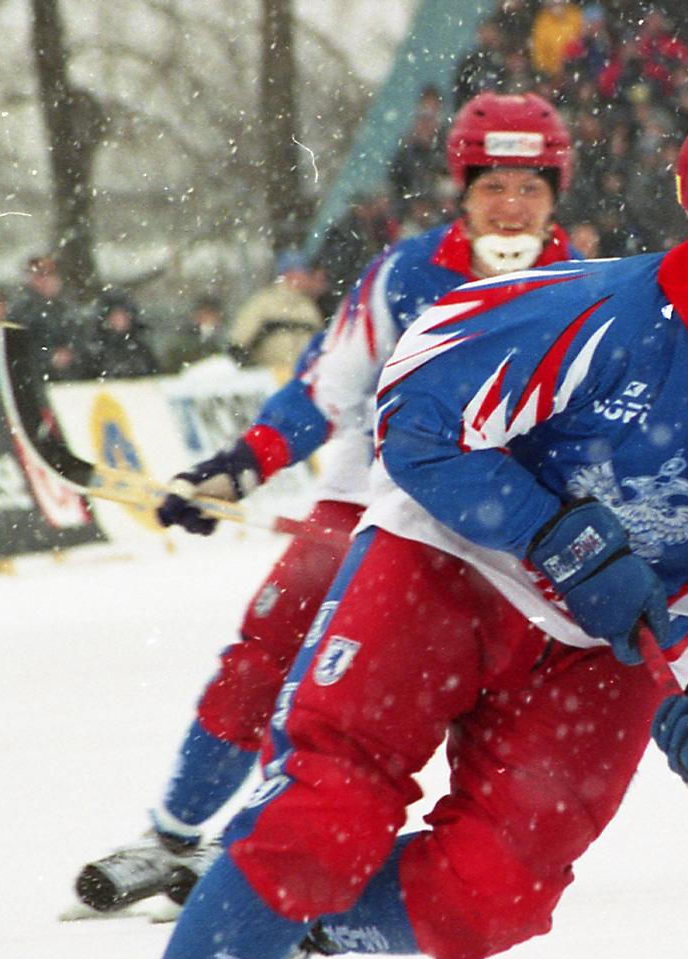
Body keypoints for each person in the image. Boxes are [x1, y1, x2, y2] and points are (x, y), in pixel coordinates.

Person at [54, 85, 688, 959]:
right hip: (451, 571)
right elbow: (414, 418)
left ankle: (289, 927)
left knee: (491, 897)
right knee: (323, 811)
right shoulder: (596, 313)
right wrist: (560, 535)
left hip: (608, 645)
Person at [71, 92, 579, 916]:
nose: (510, 206)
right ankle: (168, 836)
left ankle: (295, 841)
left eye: (529, 188)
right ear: (463, 189)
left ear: (555, 195)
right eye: (494, 187)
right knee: (271, 647)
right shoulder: (406, 274)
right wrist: (239, 467)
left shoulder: (585, 288)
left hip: (503, 527)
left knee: (447, 701)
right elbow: (323, 386)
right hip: (372, 500)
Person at [227, 251, 326, 380]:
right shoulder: (264, 303)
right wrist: (252, 371)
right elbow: (239, 342)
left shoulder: (308, 307)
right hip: (269, 378)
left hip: (302, 379)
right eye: (303, 273)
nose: (307, 278)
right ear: (289, 274)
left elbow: (320, 344)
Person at [6, 255, 83, 381]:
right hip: (34, 381)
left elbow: (82, 342)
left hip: (69, 381)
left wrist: (71, 355)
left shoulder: (69, 308)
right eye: (40, 275)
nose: (45, 280)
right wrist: (48, 358)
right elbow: (20, 351)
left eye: (50, 275)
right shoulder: (21, 311)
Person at [80, 291, 161, 380]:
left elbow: (154, 373)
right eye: (114, 316)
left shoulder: (142, 344)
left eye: (123, 315)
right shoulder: (95, 347)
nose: (119, 320)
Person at [159, 295, 228, 372]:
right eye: (202, 313)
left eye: (209, 313)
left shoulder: (227, 335)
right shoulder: (184, 338)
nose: (205, 316)